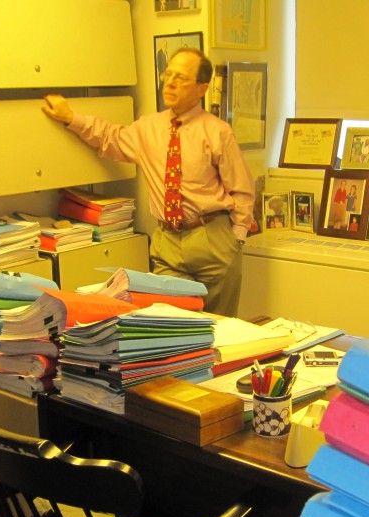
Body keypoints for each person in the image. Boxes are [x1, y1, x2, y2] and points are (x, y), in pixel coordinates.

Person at [40, 47, 254, 316]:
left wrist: (236, 239)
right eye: (168, 75)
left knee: (221, 325)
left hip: (212, 236)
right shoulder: (148, 128)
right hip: (167, 241)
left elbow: (242, 189)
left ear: (202, 88)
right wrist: (71, 118)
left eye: (181, 78)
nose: (170, 83)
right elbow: (111, 137)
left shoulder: (217, 131)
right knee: (170, 322)